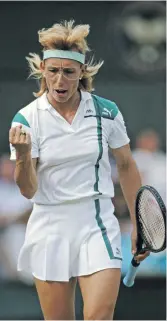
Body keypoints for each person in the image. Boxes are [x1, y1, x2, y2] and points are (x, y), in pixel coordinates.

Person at [9, 20, 149, 320]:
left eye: (69, 72)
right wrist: (23, 156)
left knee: (99, 314)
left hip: (96, 223)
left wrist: (140, 223)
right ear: (43, 72)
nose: (60, 80)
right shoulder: (26, 119)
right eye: (53, 71)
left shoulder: (106, 111)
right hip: (49, 227)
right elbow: (28, 190)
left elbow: (126, 165)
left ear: (81, 73)